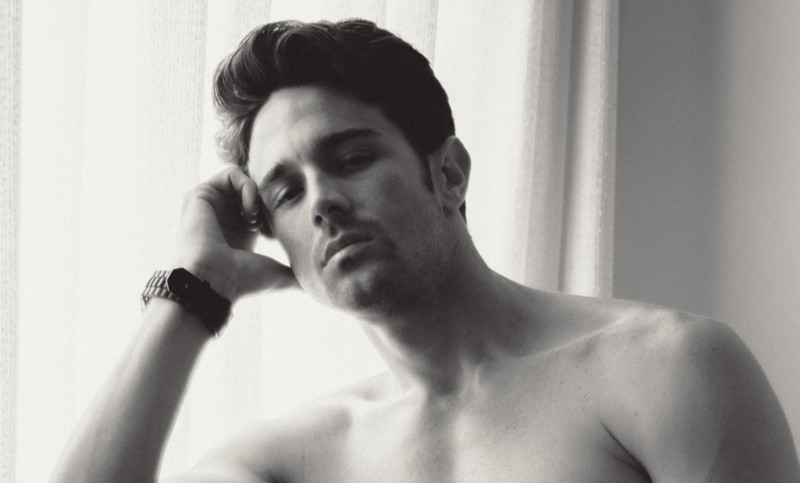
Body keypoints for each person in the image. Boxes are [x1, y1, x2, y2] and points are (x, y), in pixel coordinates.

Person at [52, 19, 799, 483]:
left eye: (350, 159)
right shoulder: (287, 462)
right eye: (285, 192)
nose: (322, 202)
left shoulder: (666, 369)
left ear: (448, 174)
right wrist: (195, 287)